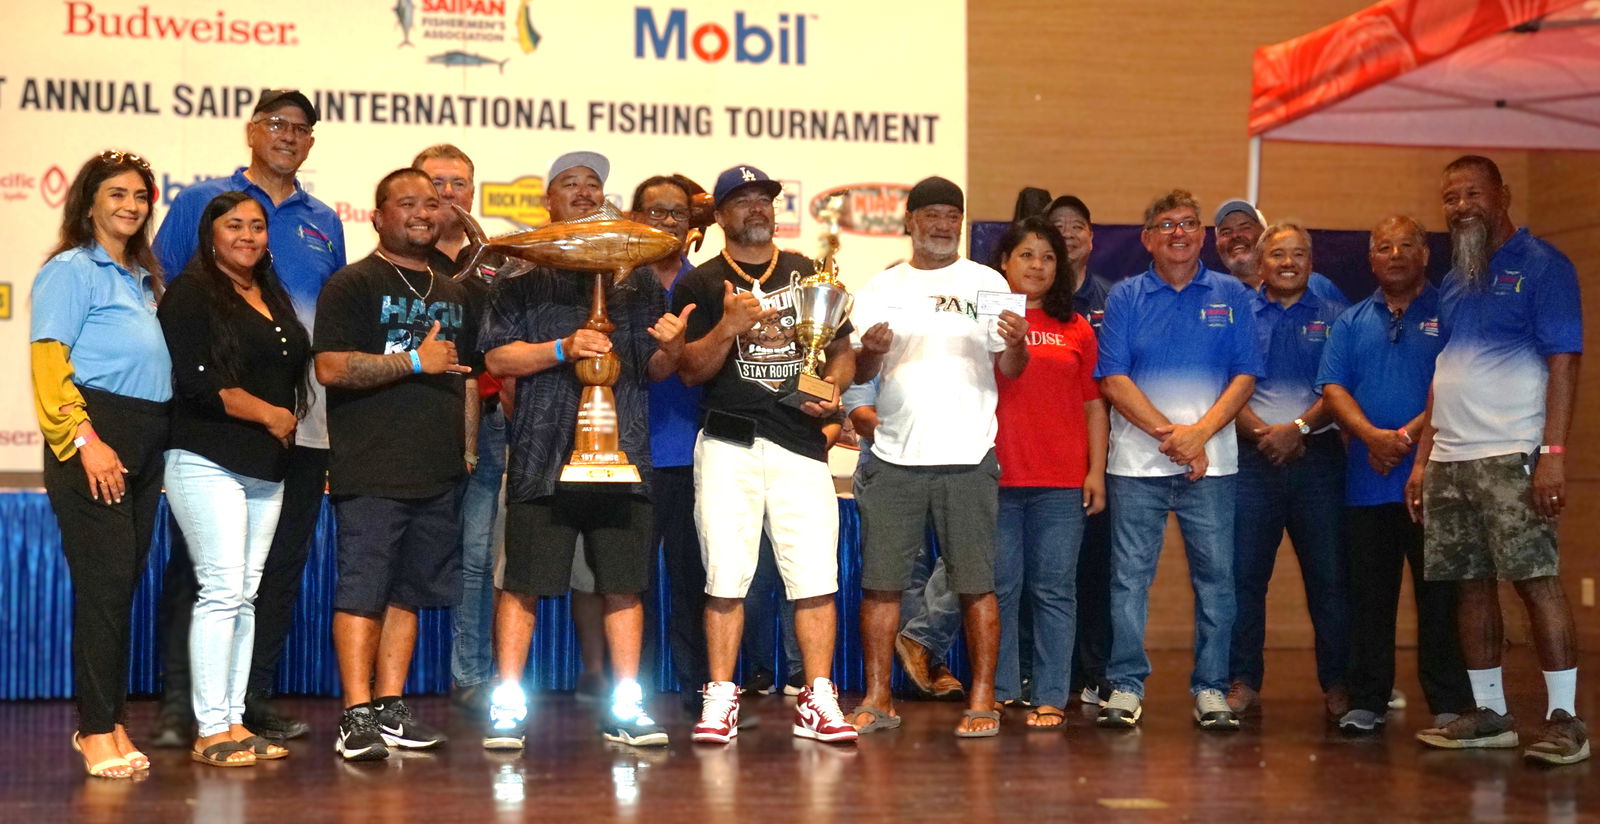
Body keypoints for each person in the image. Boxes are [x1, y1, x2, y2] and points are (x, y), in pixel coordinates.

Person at [477, 151, 692, 748]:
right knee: (521, 584)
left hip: (623, 459)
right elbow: (497, 359)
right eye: (568, 183)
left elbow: (651, 367)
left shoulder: (639, 279)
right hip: (542, 458)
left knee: (624, 583)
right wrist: (563, 347)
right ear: (547, 200)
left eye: (593, 184)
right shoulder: (520, 274)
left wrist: (673, 348)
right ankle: (507, 706)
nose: (582, 191)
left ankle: (626, 706)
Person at [151, 89, 345, 744]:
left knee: (264, 579)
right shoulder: (199, 203)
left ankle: (243, 707)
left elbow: (326, 330)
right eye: (276, 124)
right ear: (251, 131)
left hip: (290, 438)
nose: (289, 136)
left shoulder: (324, 223)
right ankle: (187, 713)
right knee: (209, 579)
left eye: (301, 128)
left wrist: (299, 420)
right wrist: (259, 409)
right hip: (212, 436)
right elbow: (166, 296)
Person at [1407, 155, 1587, 765]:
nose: (1461, 206)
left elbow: (1565, 361)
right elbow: (1444, 373)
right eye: (1451, 197)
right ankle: (1493, 714)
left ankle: (1565, 719)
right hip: (1451, 459)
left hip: (1514, 452)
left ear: (1503, 195)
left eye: (1472, 194)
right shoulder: (1457, 277)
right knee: (1471, 588)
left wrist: (1554, 455)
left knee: (1536, 582)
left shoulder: (1544, 267)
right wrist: (1421, 461)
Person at [673, 164, 857, 745]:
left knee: (814, 577)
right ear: (721, 214)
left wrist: (829, 396)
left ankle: (818, 696)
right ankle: (721, 696)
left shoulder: (807, 272)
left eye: (764, 199)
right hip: (729, 444)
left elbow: (841, 353)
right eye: (742, 200)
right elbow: (690, 370)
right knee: (726, 575)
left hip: (801, 446)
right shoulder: (700, 283)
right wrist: (727, 327)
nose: (756, 208)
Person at [850, 176, 1030, 737]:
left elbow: (1013, 369)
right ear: (909, 221)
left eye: (952, 214)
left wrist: (1020, 342)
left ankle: (982, 699)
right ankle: (878, 698)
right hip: (895, 456)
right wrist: (871, 355)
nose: (942, 224)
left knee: (977, 583)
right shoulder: (880, 288)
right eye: (930, 214)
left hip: (968, 455)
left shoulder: (988, 281)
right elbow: (858, 374)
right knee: (881, 584)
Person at [313, 168, 477, 761]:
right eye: (406, 202)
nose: (422, 212)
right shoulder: (351, 284)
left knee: (408, 594)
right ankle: (354, 714)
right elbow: (330, 368)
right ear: (378, 216)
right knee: (364, 591)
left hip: (438, 473)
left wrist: (467, 453)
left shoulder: (457, 292)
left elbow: (465, 381)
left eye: (432, 203)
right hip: (372, 467)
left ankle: (389, 707)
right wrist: (413, 362)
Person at [1093, 189, 1261, 731]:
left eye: (1189, 223)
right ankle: (1124, 686)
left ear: (1202, 234)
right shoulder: (1124, 297)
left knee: (1217, 581)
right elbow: (1113, 379)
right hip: (1137, 468)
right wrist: (1176, 437)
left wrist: (1202, 435)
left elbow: (1245, 376)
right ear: (1147, 239)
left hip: (1214, 466)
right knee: (1127, 581)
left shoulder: (1231, 294)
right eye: (1166, 225)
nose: (1180, 232)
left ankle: (1211, 688)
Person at [29, 150, 171, 779]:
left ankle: (111, 719)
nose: (131, 206)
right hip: (96, 436)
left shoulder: (141, 276)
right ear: (88, 201)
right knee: (106, 590)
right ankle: (92, 730)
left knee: (120, 588)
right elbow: (49, 363)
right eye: (117, 194)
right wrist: (86, 438)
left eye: (141, 196)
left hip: (145, 437)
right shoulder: (71, 269)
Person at [158, 191, 309, 766]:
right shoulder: (192, 292)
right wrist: (269, 414)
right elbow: (196, 380)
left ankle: (235, 721)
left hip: (267, 467)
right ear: (211, 234)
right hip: (206, 457)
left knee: (244, 596)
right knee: (222, 591)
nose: (247, 235)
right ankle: (209, 730)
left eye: (257, 226)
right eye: (234, 225)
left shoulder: (270, 292)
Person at [1318, 215, 1473, 733]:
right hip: (1366, 483)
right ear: (1371, 260)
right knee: (1369, 602)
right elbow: (1333, 389)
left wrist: (1404, 438)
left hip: (1434, 480)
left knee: (1439, 600)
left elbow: (1456, 382)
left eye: (1407, 245)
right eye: (1385, 247)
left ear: (1426, 254)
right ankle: (1369, 700)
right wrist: (1371, 438)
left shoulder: (1449, 312)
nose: (1396, 255)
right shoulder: (1351, 320)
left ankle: (1450, 702)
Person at [1227, 222, 1352, 718]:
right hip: (1251, 459)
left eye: (1298, 254)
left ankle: (1340, 684)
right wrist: (1265, 434)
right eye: (1277, 254)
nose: (1288, 263)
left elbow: (1339, 387)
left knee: (1330, 580)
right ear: (1260, 263)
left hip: (1318, 460)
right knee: (1243, 581)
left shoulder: (1336, 315)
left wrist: (1298, 428)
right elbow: (1225, 388)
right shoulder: (1237, 314)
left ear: (1311, 261)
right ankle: (1241, 681)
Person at [990, 216, 1108, 728]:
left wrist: (1096, 472)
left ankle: (1050, 695)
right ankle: (996, 689)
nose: (1037, 265)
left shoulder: (1076, 327)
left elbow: (1094, 407)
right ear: (1004, 263)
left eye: (1047, 257)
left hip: (1061, 483)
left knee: (1054, 590)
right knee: (999, 588)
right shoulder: (984, 320)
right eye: (1026, 255)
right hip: (994, 477)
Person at [413, 143, 502, 716]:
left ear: (473, 191)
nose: (449, 194)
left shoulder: (497, 263)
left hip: (486, 425)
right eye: (436, 183)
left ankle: (470, 672)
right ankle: (393, 681)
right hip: (411, 421)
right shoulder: (399, 260)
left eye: (459, 184)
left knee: (475, 554)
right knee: (405, 554)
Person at [630, 173, 712, 705]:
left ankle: (700, 689)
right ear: (633, 219)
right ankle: (627, 696)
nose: (664, 222)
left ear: (691, 226)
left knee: (694, 583)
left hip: (694, 456)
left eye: (676, 214)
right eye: (653, 212)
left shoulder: (704, 288)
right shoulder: (611, 283)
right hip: (628, 456)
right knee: (627, 585)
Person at [1044, 193, 1116, 704]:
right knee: (1042, 577)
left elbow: (1108, 385)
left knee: (1095, 572)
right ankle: (1045, 674)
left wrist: (1099, 463)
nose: (1068, 234)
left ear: (1092, 238)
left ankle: (1096, 672)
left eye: (1077, 226)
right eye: (1058, 227)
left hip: (1099, 456)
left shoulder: (1115, 299)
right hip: (1038, 457)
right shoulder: (1020, 300)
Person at [1212, 199, 1344, 303]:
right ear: (1217, 246)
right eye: (1226, 232)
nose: (1235, 236)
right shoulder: (1215, 298)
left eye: (1245, 228)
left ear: (1264, 236)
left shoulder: (1317, 285)